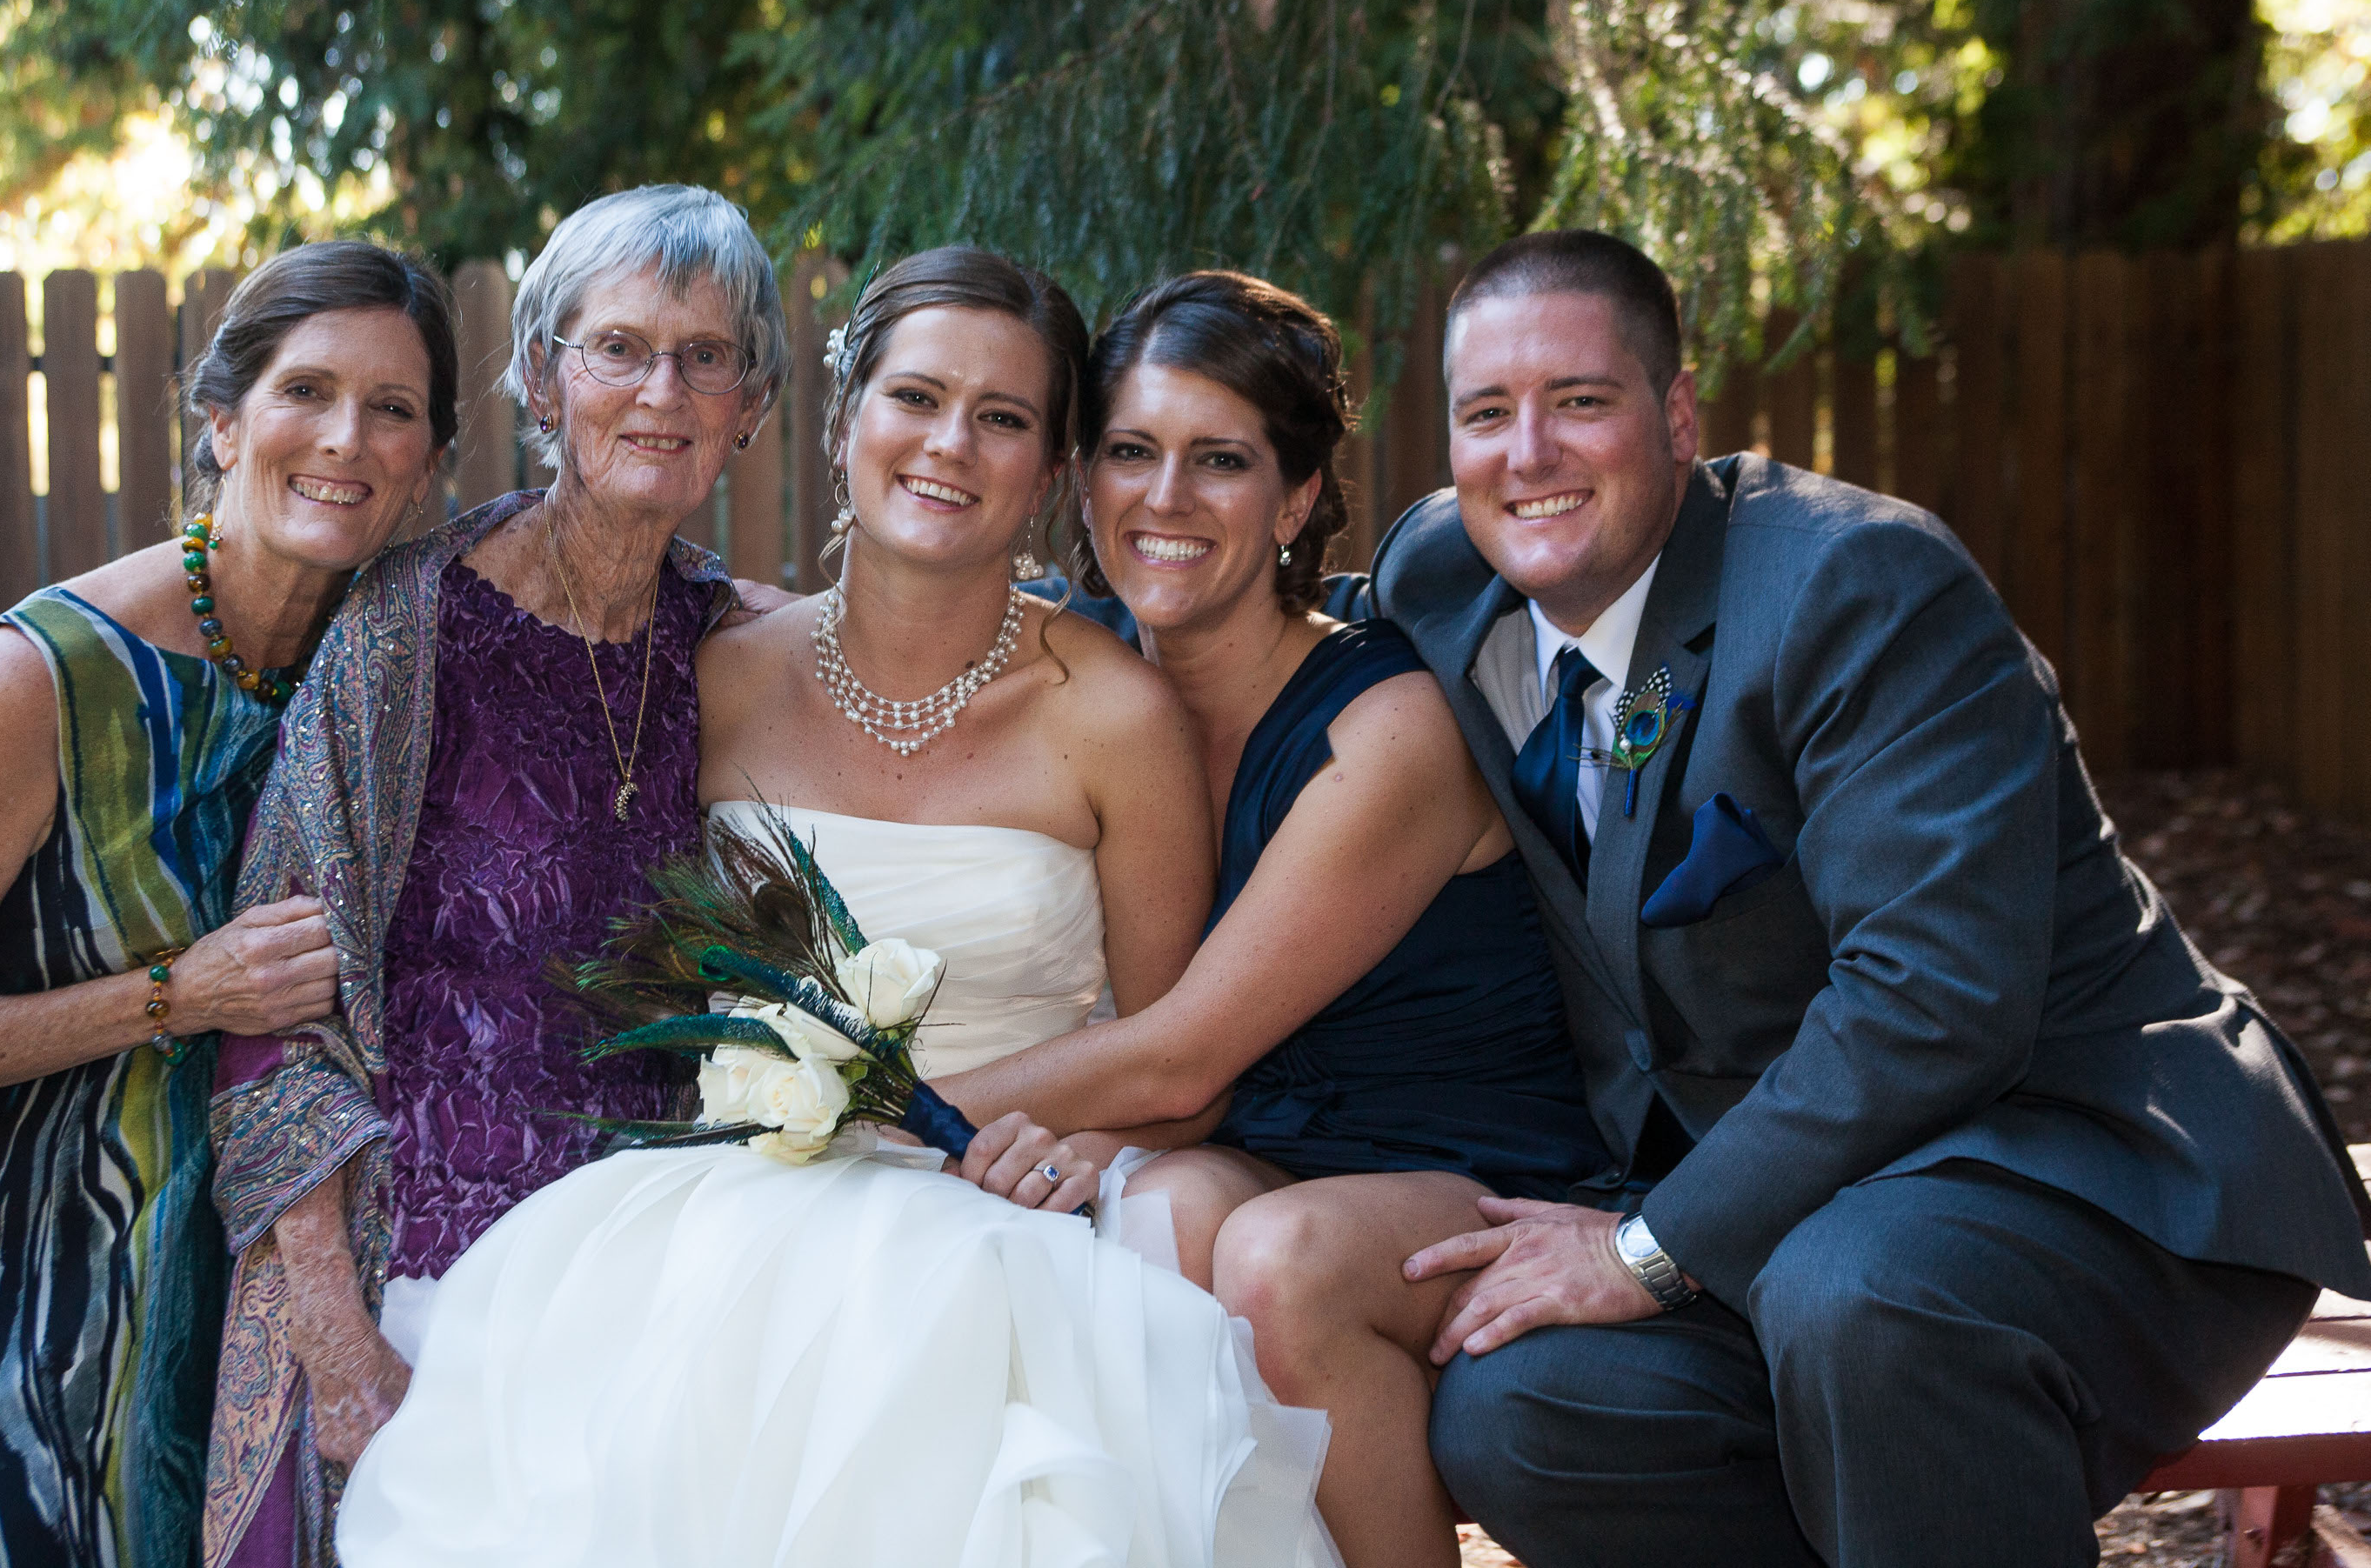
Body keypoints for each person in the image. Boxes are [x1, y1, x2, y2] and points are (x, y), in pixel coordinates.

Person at [1357, 229, 2371, 1567]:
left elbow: (1936, 1005)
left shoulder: (1857, 587)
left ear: (1677, 415)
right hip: (1779, 1215)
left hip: (2091, 1170)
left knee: (1873, 1300)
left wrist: (1650, 1250)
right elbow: (1241, 651)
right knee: (1525, 1408)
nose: (1527, 452)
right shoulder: (1445, 582)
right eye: (1486, 414)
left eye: (1581, 401)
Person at [326, 246, 1339, 1568]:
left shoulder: (1116, 717)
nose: (951, 445)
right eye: (915, 398)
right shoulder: (723, 671)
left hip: (998, 1221)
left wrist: (1056, 1142)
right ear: (846, 419)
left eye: (1007, 418)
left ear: (1049, 470)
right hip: (718, 1221)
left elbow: (1178, 1062)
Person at [194, 186, 832, 1565]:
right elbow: (272, 1016)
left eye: (708, 357)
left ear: (754, 406)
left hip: (659, 1297)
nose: (664, 391)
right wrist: (336, 1340)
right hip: (415, 1286)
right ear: (544, 375)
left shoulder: (737, 648)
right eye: (620, 349)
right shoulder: (408, 632)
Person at [0, 240, 456, 1568]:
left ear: (431, 459)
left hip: (270, 1301)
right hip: (37, 1306)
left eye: (393, 409)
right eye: (306, 392)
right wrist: (179, 994)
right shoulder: (51, 677)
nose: (348, 438)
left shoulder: (390, 670)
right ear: (221, 421)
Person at [938, 269, 1607, 1568]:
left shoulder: (1387, 728)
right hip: (1256, 1139)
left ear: (1296, 497)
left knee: (1278, 1258)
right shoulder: (1070, 673)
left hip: (1463, 1163)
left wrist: (881, 1108)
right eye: (1132, 451)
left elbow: (1183, 1049)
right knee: (1161, 1216)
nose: (1167, 498)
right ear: (1085, 481)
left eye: (1222, 460)